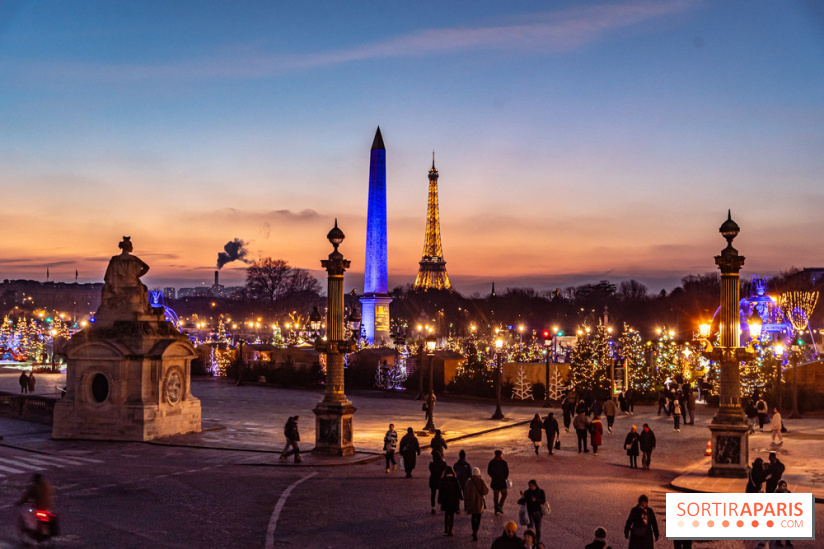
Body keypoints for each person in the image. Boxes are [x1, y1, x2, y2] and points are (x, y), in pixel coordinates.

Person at [463, 466, 489, 541]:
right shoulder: (481, 481)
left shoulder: (469, 481)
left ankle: (473, 530)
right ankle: (476, 531)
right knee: (478, 517)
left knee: (473, 516)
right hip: (479, 502)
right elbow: (486, 491)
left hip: (471, 502)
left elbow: (465, 492)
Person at [438, 465, 462, 536]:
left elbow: (440, 491)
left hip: (445, 499)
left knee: (446, 514)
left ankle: (446, 528)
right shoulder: (455, 480)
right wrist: (461, 497)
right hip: (453, 499)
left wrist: (439, 499)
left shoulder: (443, 480)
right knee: (452, 515)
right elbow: (458, 490)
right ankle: (450, 530)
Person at [487, 449, 509, 515]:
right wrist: (504, 477)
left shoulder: (492, 462)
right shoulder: (503, 462)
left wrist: (493, 477)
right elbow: (507, 472)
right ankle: (500, 505)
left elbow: (489, 471)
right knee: (504, 494)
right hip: (502, 482)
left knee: (496, 496)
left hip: (495, 482)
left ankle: (496, 508)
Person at [774, 481, 794, 547]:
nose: (784, 487)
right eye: (783, 486)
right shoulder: (776, 492)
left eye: (785, 486)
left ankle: (788, 541)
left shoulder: (788, 492)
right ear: (779, 486)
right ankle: (778, 541)